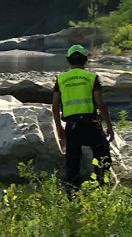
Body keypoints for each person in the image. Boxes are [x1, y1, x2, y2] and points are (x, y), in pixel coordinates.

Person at [52, 45, 114, 190]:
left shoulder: (61, 79)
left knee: (72, 165)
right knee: (103, 159)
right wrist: (109, 126)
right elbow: (101, 104)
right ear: (85, 60)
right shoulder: (91, 78)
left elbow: (55, 107)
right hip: (91, 125)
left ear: (68, 61)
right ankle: (103, 192)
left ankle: (72, 197)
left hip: (72, 127)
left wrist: (59, 128)